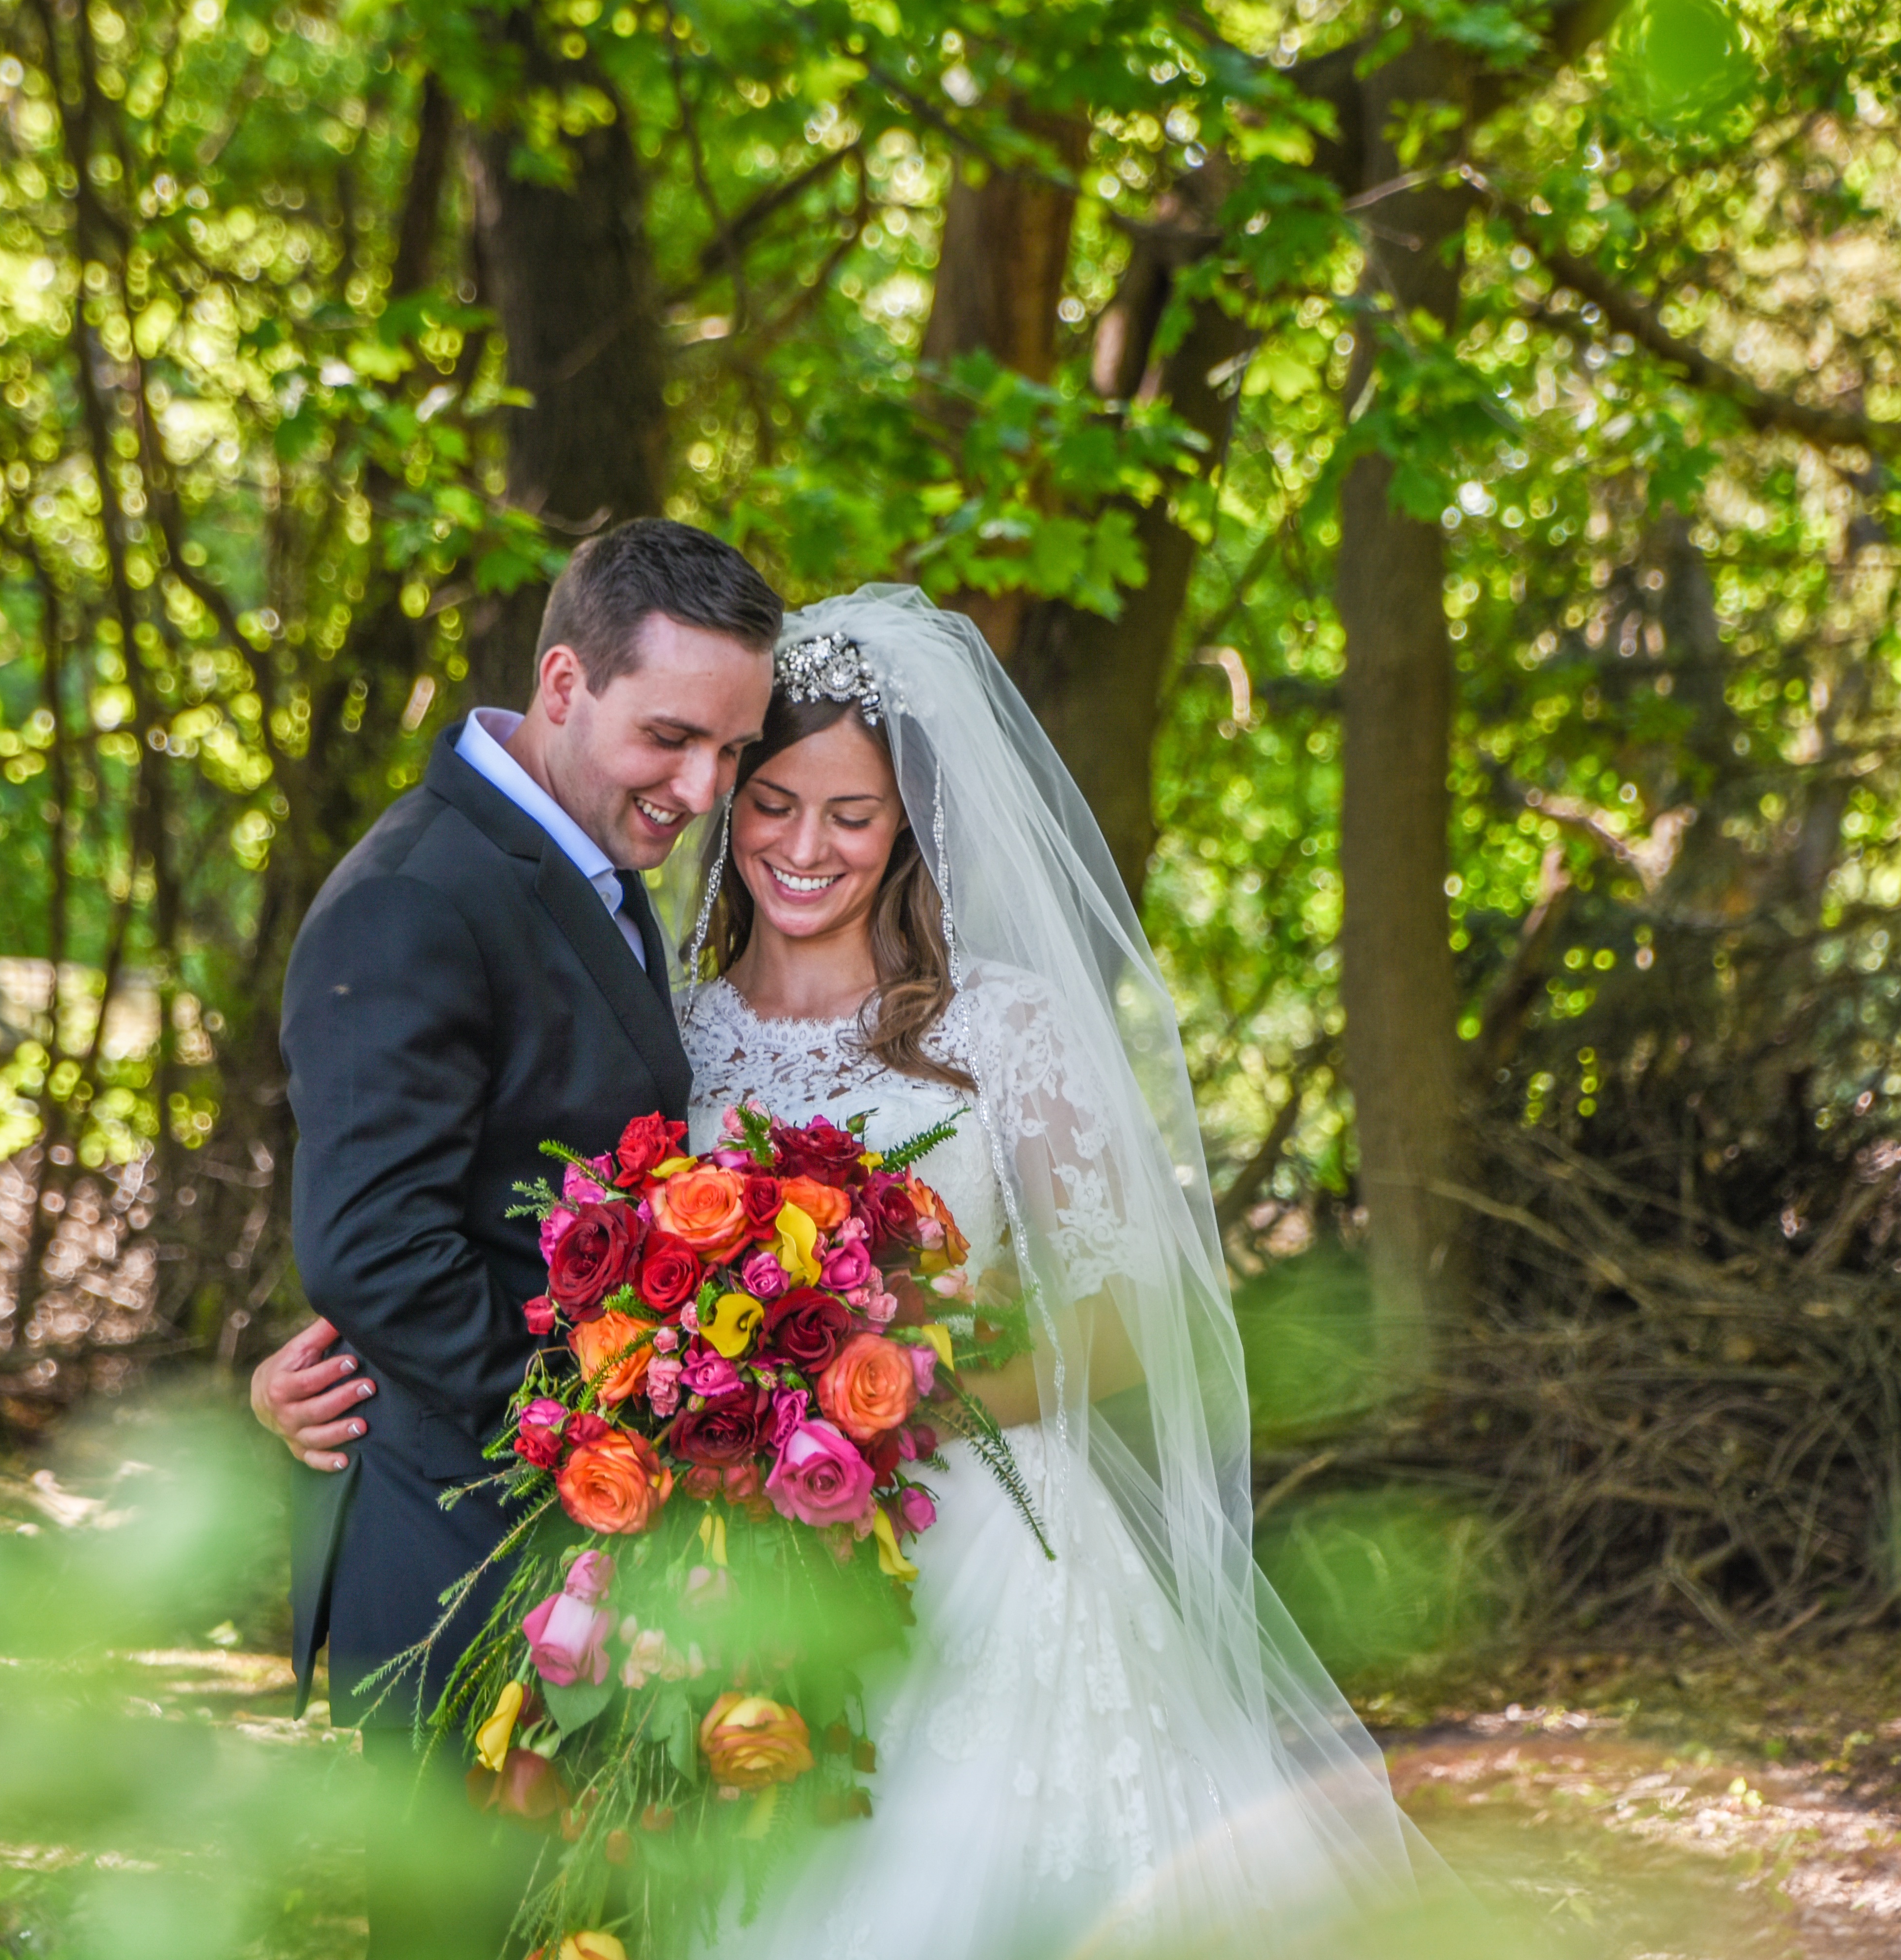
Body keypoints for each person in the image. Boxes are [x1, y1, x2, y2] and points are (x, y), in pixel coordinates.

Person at [662, 587, 1441, 1958]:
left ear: (908, 826)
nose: (805, 847)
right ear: (729, 806)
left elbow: (1131, 1321)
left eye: (852, 815)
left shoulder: (1002, 1028)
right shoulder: (674, 1034)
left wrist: (908, 1401)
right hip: (737, 1550)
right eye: (774, 804)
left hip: (981, 1536)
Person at [250, 519, 782, 1960]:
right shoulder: (424, 896)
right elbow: (373, 1253)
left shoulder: (574, 872)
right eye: (672, 737)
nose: (702, 789)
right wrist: (621, 1440)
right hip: (463, 1556)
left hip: (557, 1551)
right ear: (563, 682)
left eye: (732, 753)